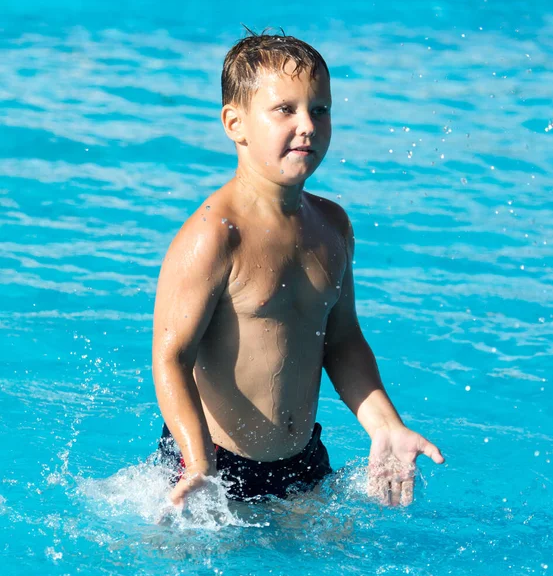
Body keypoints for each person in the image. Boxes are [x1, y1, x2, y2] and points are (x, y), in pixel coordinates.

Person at [152, 30, 444, 508]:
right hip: (211, 467)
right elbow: (171, 359)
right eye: (285, 110)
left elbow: (343, 339)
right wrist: (198, 463)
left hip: (304, 462)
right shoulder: (215, 236)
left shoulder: (331, 225)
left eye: (320, 109)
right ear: (235, 123)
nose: (308, 124)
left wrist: (385, 425)